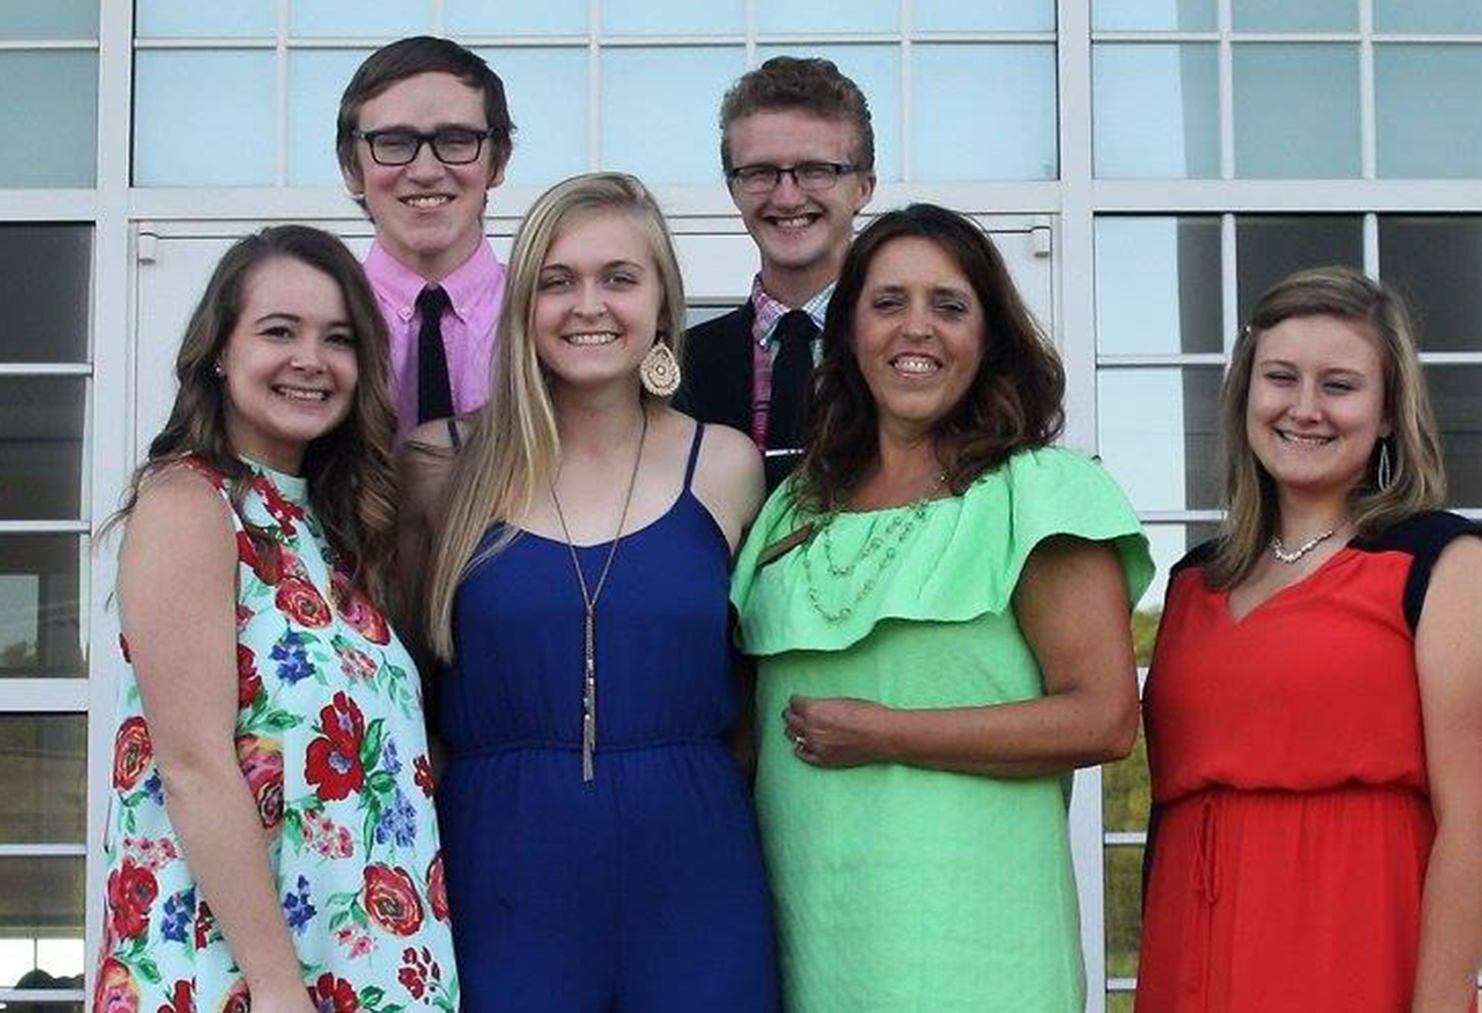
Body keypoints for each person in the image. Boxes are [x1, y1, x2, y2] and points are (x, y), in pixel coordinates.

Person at [730, 203, 1153, 1012]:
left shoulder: (1038, 492)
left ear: (989, 336)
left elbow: (1103, 718)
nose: (916, 328)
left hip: (977, 949)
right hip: (813, 937)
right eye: (888, 303)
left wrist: (888, 732)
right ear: (850, 332)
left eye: (949, 305)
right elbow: (744, 731)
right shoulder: (792, 507)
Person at [400, 172, 778, 1012]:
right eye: (558, 281)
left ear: (662, 301)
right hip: (500, 863)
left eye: (620, 278)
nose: (589, 305)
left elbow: (755, 686)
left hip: (696, 861)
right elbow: (403, 688)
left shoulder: (725, 464)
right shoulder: (439, 463)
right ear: (523, 305)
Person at [1135, 267, 1482, 1013]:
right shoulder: (1190, 584)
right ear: (1247, 393)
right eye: (1281, 377)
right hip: (1192, 968)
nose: (1304, 408)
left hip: (1354, 959)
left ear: (1387, 413)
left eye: (1339, 385)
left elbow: (1475, 819)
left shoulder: (1445, 564)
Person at [97, 226, 458, 1013]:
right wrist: (275, 984)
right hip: (244, 976)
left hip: (365, 962)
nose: (310, 359)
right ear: (219, 353)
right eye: (279, 331)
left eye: (338, 338)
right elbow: (192, 764)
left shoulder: (335, 527)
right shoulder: (192, 504)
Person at [681, 56, 877, 490]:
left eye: (816, 171)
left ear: (864, 188)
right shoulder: (680, 366)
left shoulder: (910, 349)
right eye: (760, 173)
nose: (787, 198)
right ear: (733, 189)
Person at [337, 35, 514, 436]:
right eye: (393, 143)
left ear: (499, 160)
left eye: (456, 141)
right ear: (351, 168)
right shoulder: (314, 321)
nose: (425, 171)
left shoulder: (545, 315)